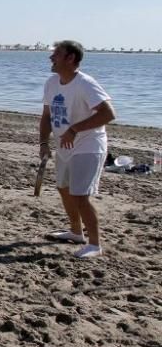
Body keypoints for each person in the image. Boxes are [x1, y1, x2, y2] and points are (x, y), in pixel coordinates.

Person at [40, 40, 116, 259]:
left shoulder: (85, 83)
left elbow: (108, 114)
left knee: (80, 195)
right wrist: (44, 143)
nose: (51, 58)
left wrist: (74, 129)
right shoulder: (52, 82)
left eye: (56, 54)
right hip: (64, 146)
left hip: (88, 146)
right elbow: (46, 117)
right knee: (63, 188)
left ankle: (95, 244)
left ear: (70, 58)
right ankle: (75, 232)